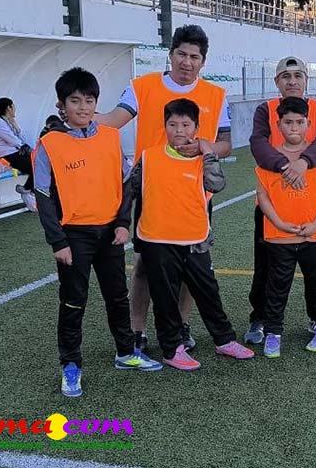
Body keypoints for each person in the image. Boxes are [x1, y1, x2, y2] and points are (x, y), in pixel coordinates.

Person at [95, 24, 232, 353]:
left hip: (195, 195)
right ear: (170, 55)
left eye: (194, 57)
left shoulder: (216, 95)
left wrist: (204, 146)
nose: (187, 62)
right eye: (181, 54)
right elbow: (113, 120)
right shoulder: (142, 87)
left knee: (188, 268)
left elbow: (226, 144)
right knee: (144, 265)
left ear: (203, 61)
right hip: (152, 192)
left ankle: (181, 328)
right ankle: (137, 331)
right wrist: (81, 118)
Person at [33, 67, 152, 398]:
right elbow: (43, 197)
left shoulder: (110, 137)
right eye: (75, 101)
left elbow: (125, 184)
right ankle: (71, 365)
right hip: (74, 237)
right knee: (74, 300)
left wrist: (123, 223)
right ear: (61, 105)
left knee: (117, 295)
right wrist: (58, 242)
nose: (83, 107)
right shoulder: (49, 144)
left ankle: (125, 352)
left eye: (89, 100)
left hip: (110, 233)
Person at [132, 98, 254, 371]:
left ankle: (224, 340)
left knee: (208, 290)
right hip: (157, 240)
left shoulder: (202, 159)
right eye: (173, 124)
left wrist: (207, 151)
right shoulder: (149, 156)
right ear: (164, 126)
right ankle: (171, 349)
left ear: (196, 128)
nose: (179, 130)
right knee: (165, 297)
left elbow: (216, 184)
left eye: (186, 125)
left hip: (195, 238)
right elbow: (132, 189)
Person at [244, 56, 316, 345]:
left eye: (298, 75)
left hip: (311, 206)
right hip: (273, 207)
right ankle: (260, 318)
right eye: (286, 76)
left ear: (306, 80)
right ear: (277, 82)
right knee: (266, 269)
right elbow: (258, 144)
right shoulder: (266, 109)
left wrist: (304, 162)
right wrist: (286, 166)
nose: (292, 81)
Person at [0, 97, 37, 212]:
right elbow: (13, 140)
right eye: (13, 107)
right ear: (8, 108)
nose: (14, 109)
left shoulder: (6, 121)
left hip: (13, 153)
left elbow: (22, 139)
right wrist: (25, 148)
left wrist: (16, 125)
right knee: (36, 166)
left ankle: (27, 190)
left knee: (40, 164)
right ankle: (27, 191)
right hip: (5, 156)